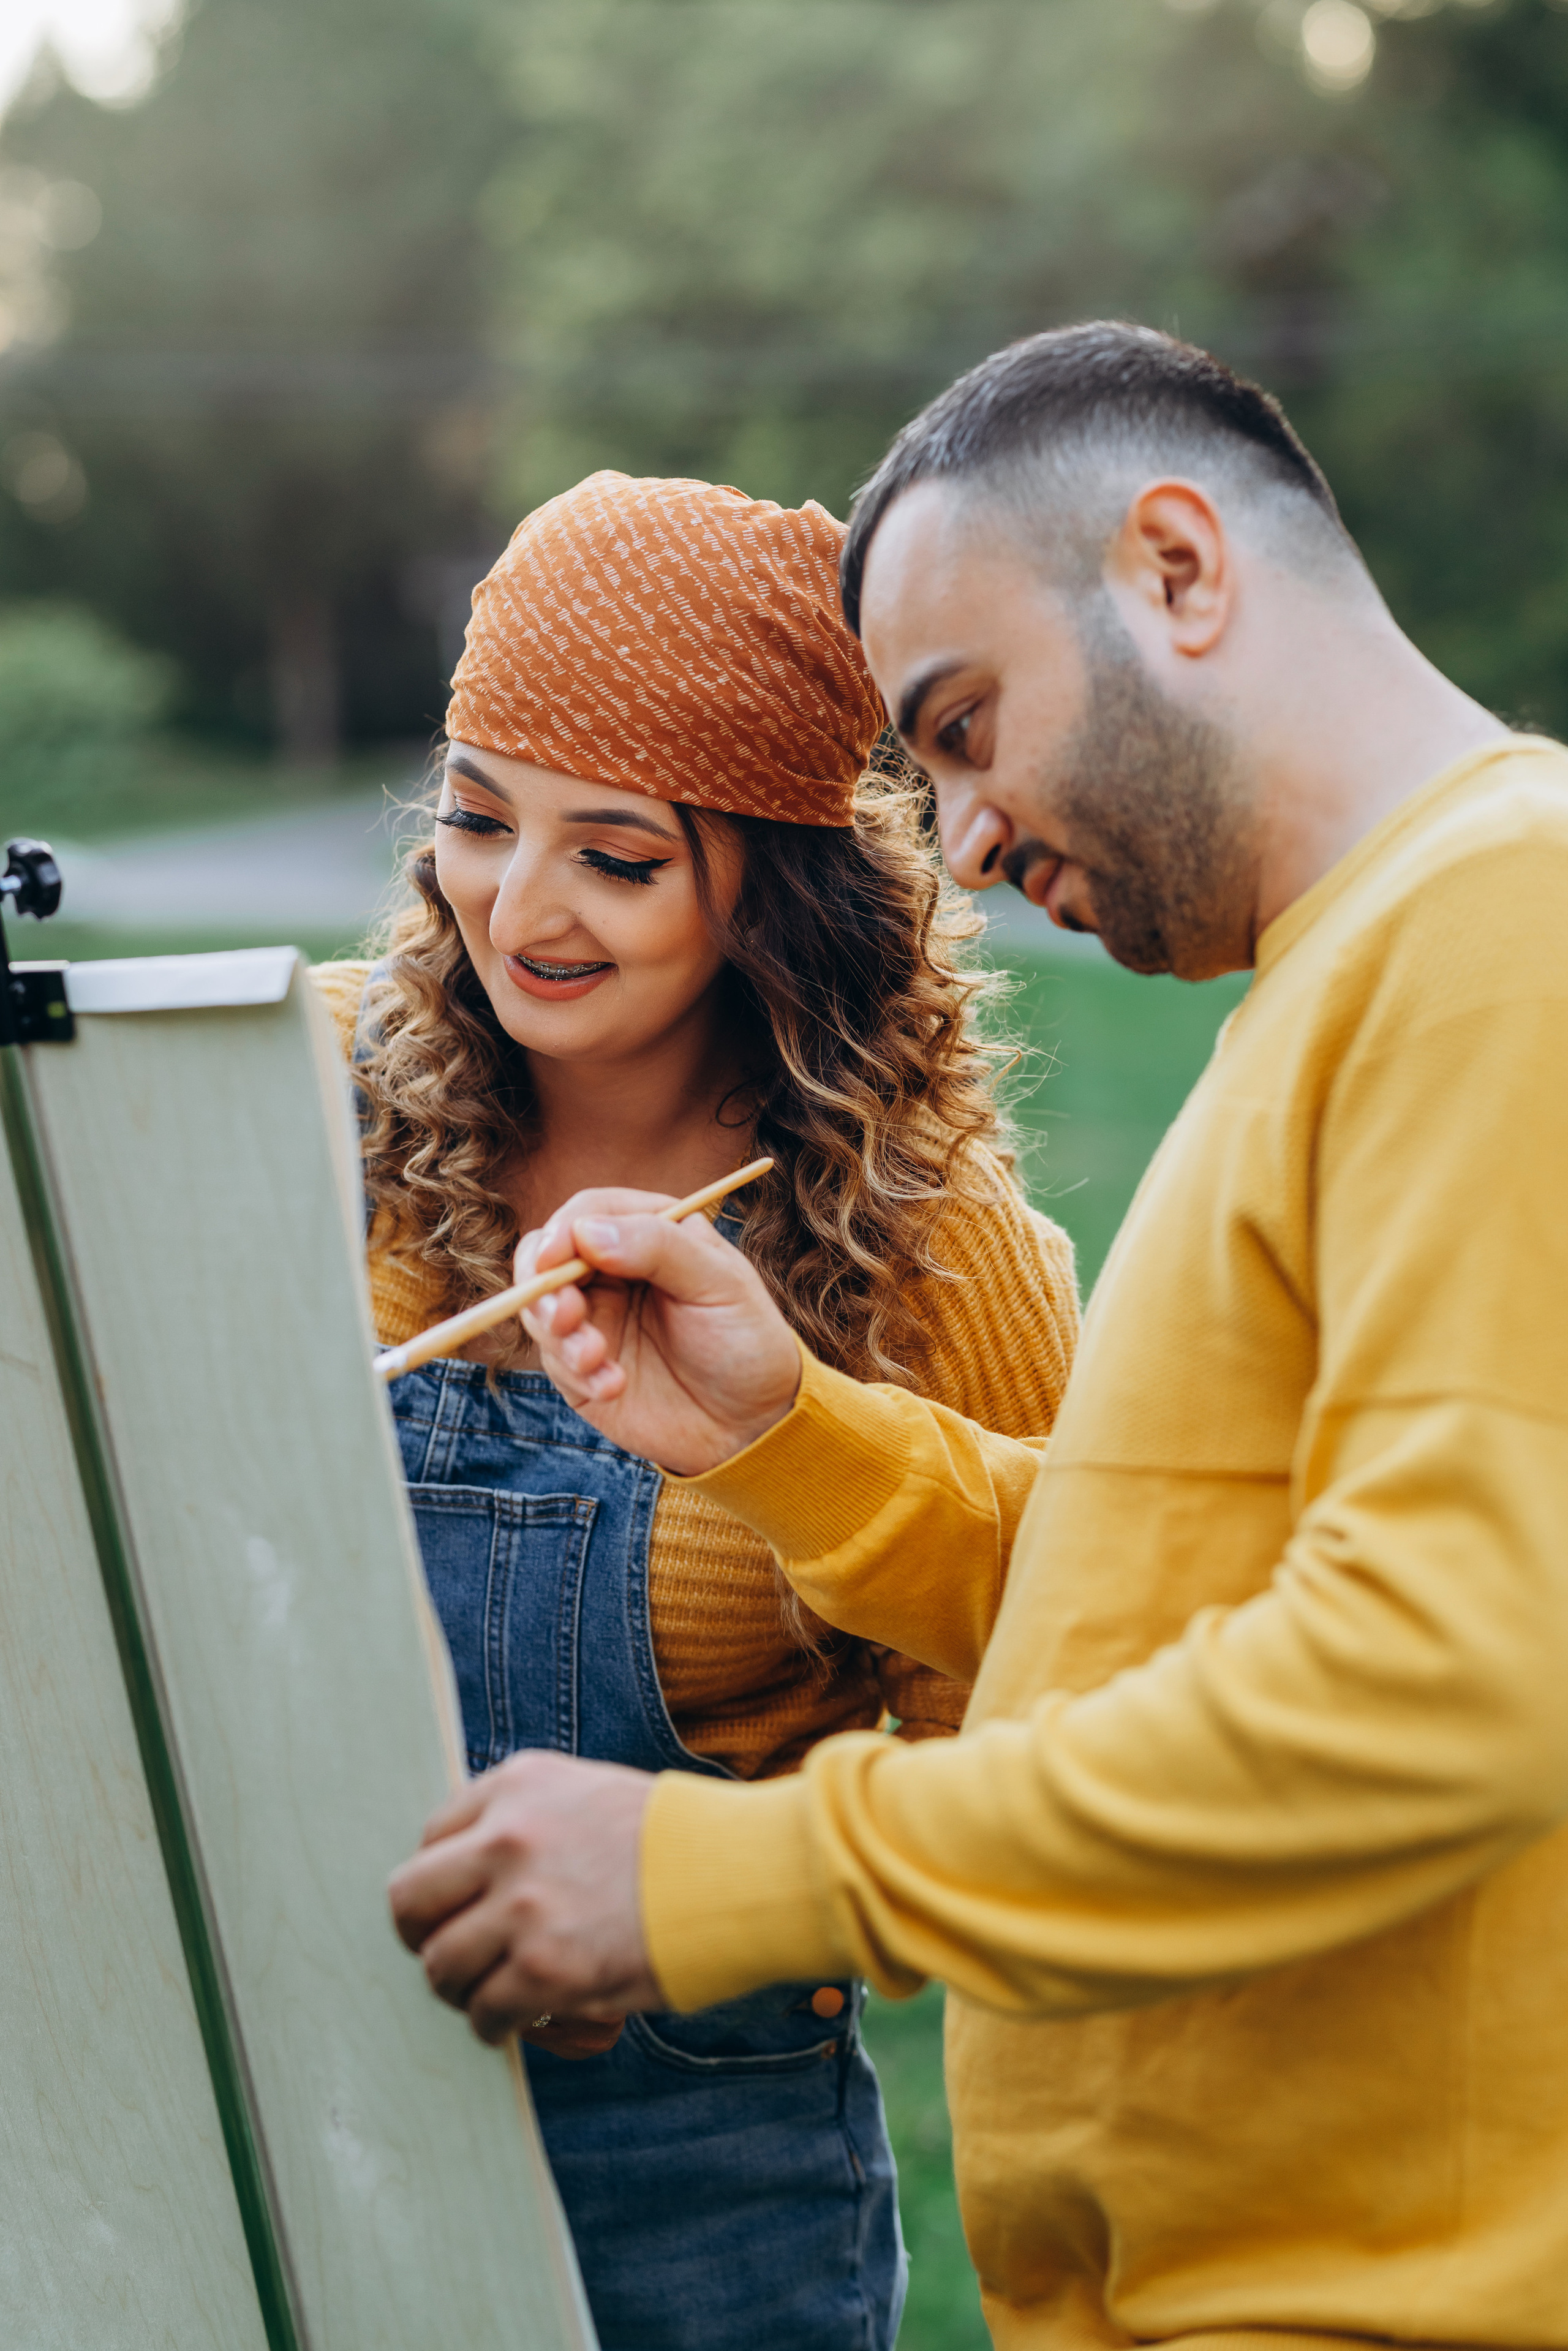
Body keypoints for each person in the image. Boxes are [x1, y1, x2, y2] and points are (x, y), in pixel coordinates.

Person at [389, 326, 1568, 2351]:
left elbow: (1456, 1666)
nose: (958, 841)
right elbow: (1172, 1605)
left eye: (961, 723)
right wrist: (793, 1441)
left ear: (1179, 569)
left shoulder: (1505, 929)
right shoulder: (1355, 970)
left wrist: (735, 1879)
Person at [317, 469, 1079, 2351]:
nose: (525, 908)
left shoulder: (934, 1249)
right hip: (298, 2087)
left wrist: (696, 1906)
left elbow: (1045, 1735)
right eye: (481, 822)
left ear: (776, 884)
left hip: (704, 2175)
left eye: (620, 856)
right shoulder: (300, 1091)